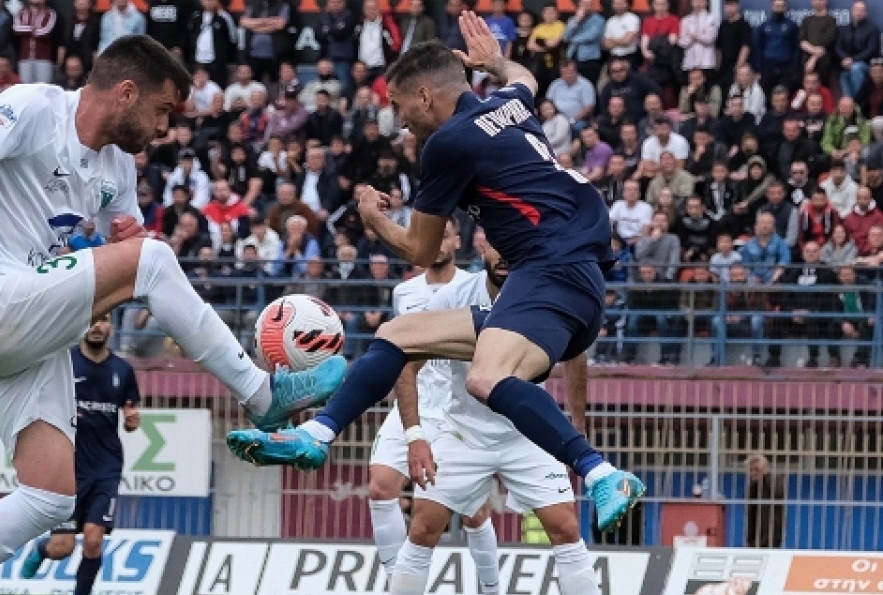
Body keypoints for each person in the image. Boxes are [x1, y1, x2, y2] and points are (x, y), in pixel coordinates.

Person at [0, 36, 346, 595]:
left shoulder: (117, 167)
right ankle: (260, 393)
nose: (165, 128)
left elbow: (129, 252)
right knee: (155, 259)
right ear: (126, 93)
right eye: (162, 110)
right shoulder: (37, 107)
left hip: (23, 324)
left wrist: (128, 239)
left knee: (49, 498)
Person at [227, 19, 644, 534]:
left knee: (486, 378)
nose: (400, 121)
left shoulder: (448, 143)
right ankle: (316, 434)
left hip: (552, 271)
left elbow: (422, 250)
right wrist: (496, 62)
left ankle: (602, 474)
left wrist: (373, 218)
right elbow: (525, 78)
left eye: (400, 105)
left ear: (425, 96)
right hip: (567, 278)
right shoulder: (509, 103)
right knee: (397, 334)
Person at [385, 235, 598, 595]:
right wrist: (415, 435)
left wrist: (577, 424)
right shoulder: (452, 297)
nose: (503, 255)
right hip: (463, 433)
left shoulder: (545, 292)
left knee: (566, 527)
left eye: (511, 245)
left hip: (528, 435)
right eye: (497, 245)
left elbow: (576, 354)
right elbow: (405, 359)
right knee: (423, 527)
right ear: (482, 247)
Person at [363, 219, 498, 595]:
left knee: (474, 514)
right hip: (414, 404)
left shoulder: (475, 285)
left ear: (457, 240)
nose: (438, 243)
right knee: (380, 487)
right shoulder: (404, 292)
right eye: (431, 235)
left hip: (456, 407)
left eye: (445, 235)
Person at [18, 314, 138, 595]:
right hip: (67, 470)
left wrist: (131, 419)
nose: (97, 326)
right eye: (92, 320)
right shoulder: (64, 364)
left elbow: (130, 410)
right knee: (62, 548)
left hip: (106, 470)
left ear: (112, 327)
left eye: (104, 320)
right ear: (82, 326)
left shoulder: (122, 370)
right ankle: (41, 549)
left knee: (94, 541)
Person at [745, 454, 786, 548]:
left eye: (757, 469)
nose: (753, 473)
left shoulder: (775, 480)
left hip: (771, 533)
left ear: (765, 469)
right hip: (754, 534)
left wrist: (766, 476)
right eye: (750, 470)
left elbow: (778, 494)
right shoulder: (753, 486)